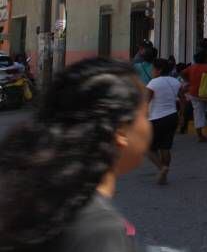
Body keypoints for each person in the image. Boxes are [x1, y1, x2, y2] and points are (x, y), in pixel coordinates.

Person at [0, 58, 150, 251]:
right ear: (121, 132)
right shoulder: (100, 228)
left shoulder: (40, 195)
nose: (149, 125)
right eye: (145, 115)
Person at [144, 58, 182, 185]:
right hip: (172, 116)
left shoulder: (153, 83)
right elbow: (183, 100)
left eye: (153, 69)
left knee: (147, 148)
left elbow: (145, 101)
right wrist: (181, 116)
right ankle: (164, 175)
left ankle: (162, 168)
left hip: (156, 118)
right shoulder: (176, 81)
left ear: (159, 70)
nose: (152, 71)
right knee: (165, 147)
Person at [180, 51, 207, 142]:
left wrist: (188, 80)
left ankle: (200, 134)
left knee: (198, 112)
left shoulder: (191, 67)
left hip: (194, 92)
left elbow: (182, 73)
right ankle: (202, 135)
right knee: (205, 112)